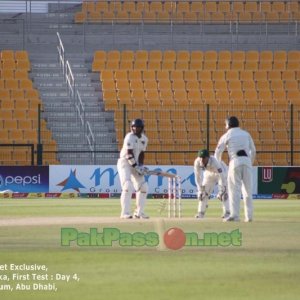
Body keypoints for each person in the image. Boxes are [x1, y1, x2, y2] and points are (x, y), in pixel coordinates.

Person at [215, 116, 256, 222]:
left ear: (228, 125)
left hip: (235, 162)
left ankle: (235, 215)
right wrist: (249, 162)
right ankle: (249, 216)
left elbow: (218, 152)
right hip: (247, 162)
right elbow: (253, 150)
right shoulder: (246, 134)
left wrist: (219, 165)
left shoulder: (227, 135)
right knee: (247, 191)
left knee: (234, 191)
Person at [117, 118, 149, 219]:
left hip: (135, 163)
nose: (135, 128)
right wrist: (136, 166)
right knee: (127, 186)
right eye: (133, 127)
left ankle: (139, 212)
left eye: (138, 127)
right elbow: (129, 154)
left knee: (143, 187)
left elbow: (141, 154)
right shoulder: (129, 137)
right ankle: (125, 213)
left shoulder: (144, 139)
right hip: (125, 162)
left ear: (142, 128)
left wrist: (141, 166)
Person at [194, 149, 230, 219]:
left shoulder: (215, 162)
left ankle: (227, 212)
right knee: (203, 194)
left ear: (208, 157)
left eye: (204, 158)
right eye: (200, 157)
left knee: (223, 194)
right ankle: (201, 213)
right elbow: (197, 176)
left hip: (222, 173)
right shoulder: (197, 162)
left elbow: (222, 175)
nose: (202, 159)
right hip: (208, 174)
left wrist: (222, 189)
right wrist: (200, 190)